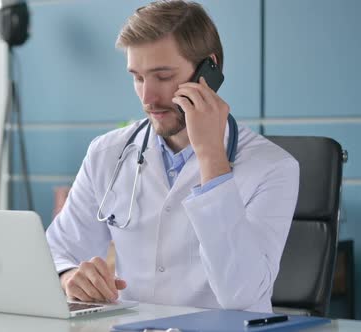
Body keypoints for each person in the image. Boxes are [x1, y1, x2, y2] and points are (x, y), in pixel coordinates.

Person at [45, 0, 299, 313]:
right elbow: (59, 251)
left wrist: (211, 160)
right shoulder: (107, 153)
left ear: (209, 70)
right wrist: (69, 276)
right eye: (138, 77)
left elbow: (242, 295)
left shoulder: (273, 167)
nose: (147, 98)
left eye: (163, 77)